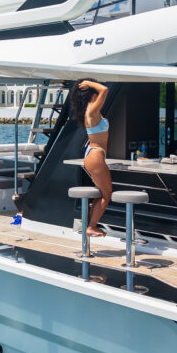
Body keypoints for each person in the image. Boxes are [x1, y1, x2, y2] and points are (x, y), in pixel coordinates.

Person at [70, 78, 111, 237]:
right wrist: (89, 82)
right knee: (106, 195)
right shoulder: (92, 111)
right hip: (95, 155)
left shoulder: (90, 110)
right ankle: (91, 226)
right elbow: (104, 90)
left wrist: (88, 85)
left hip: (94, 154)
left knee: (101, 194)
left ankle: (89, 224)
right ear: (93, 95)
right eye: (96, 93)